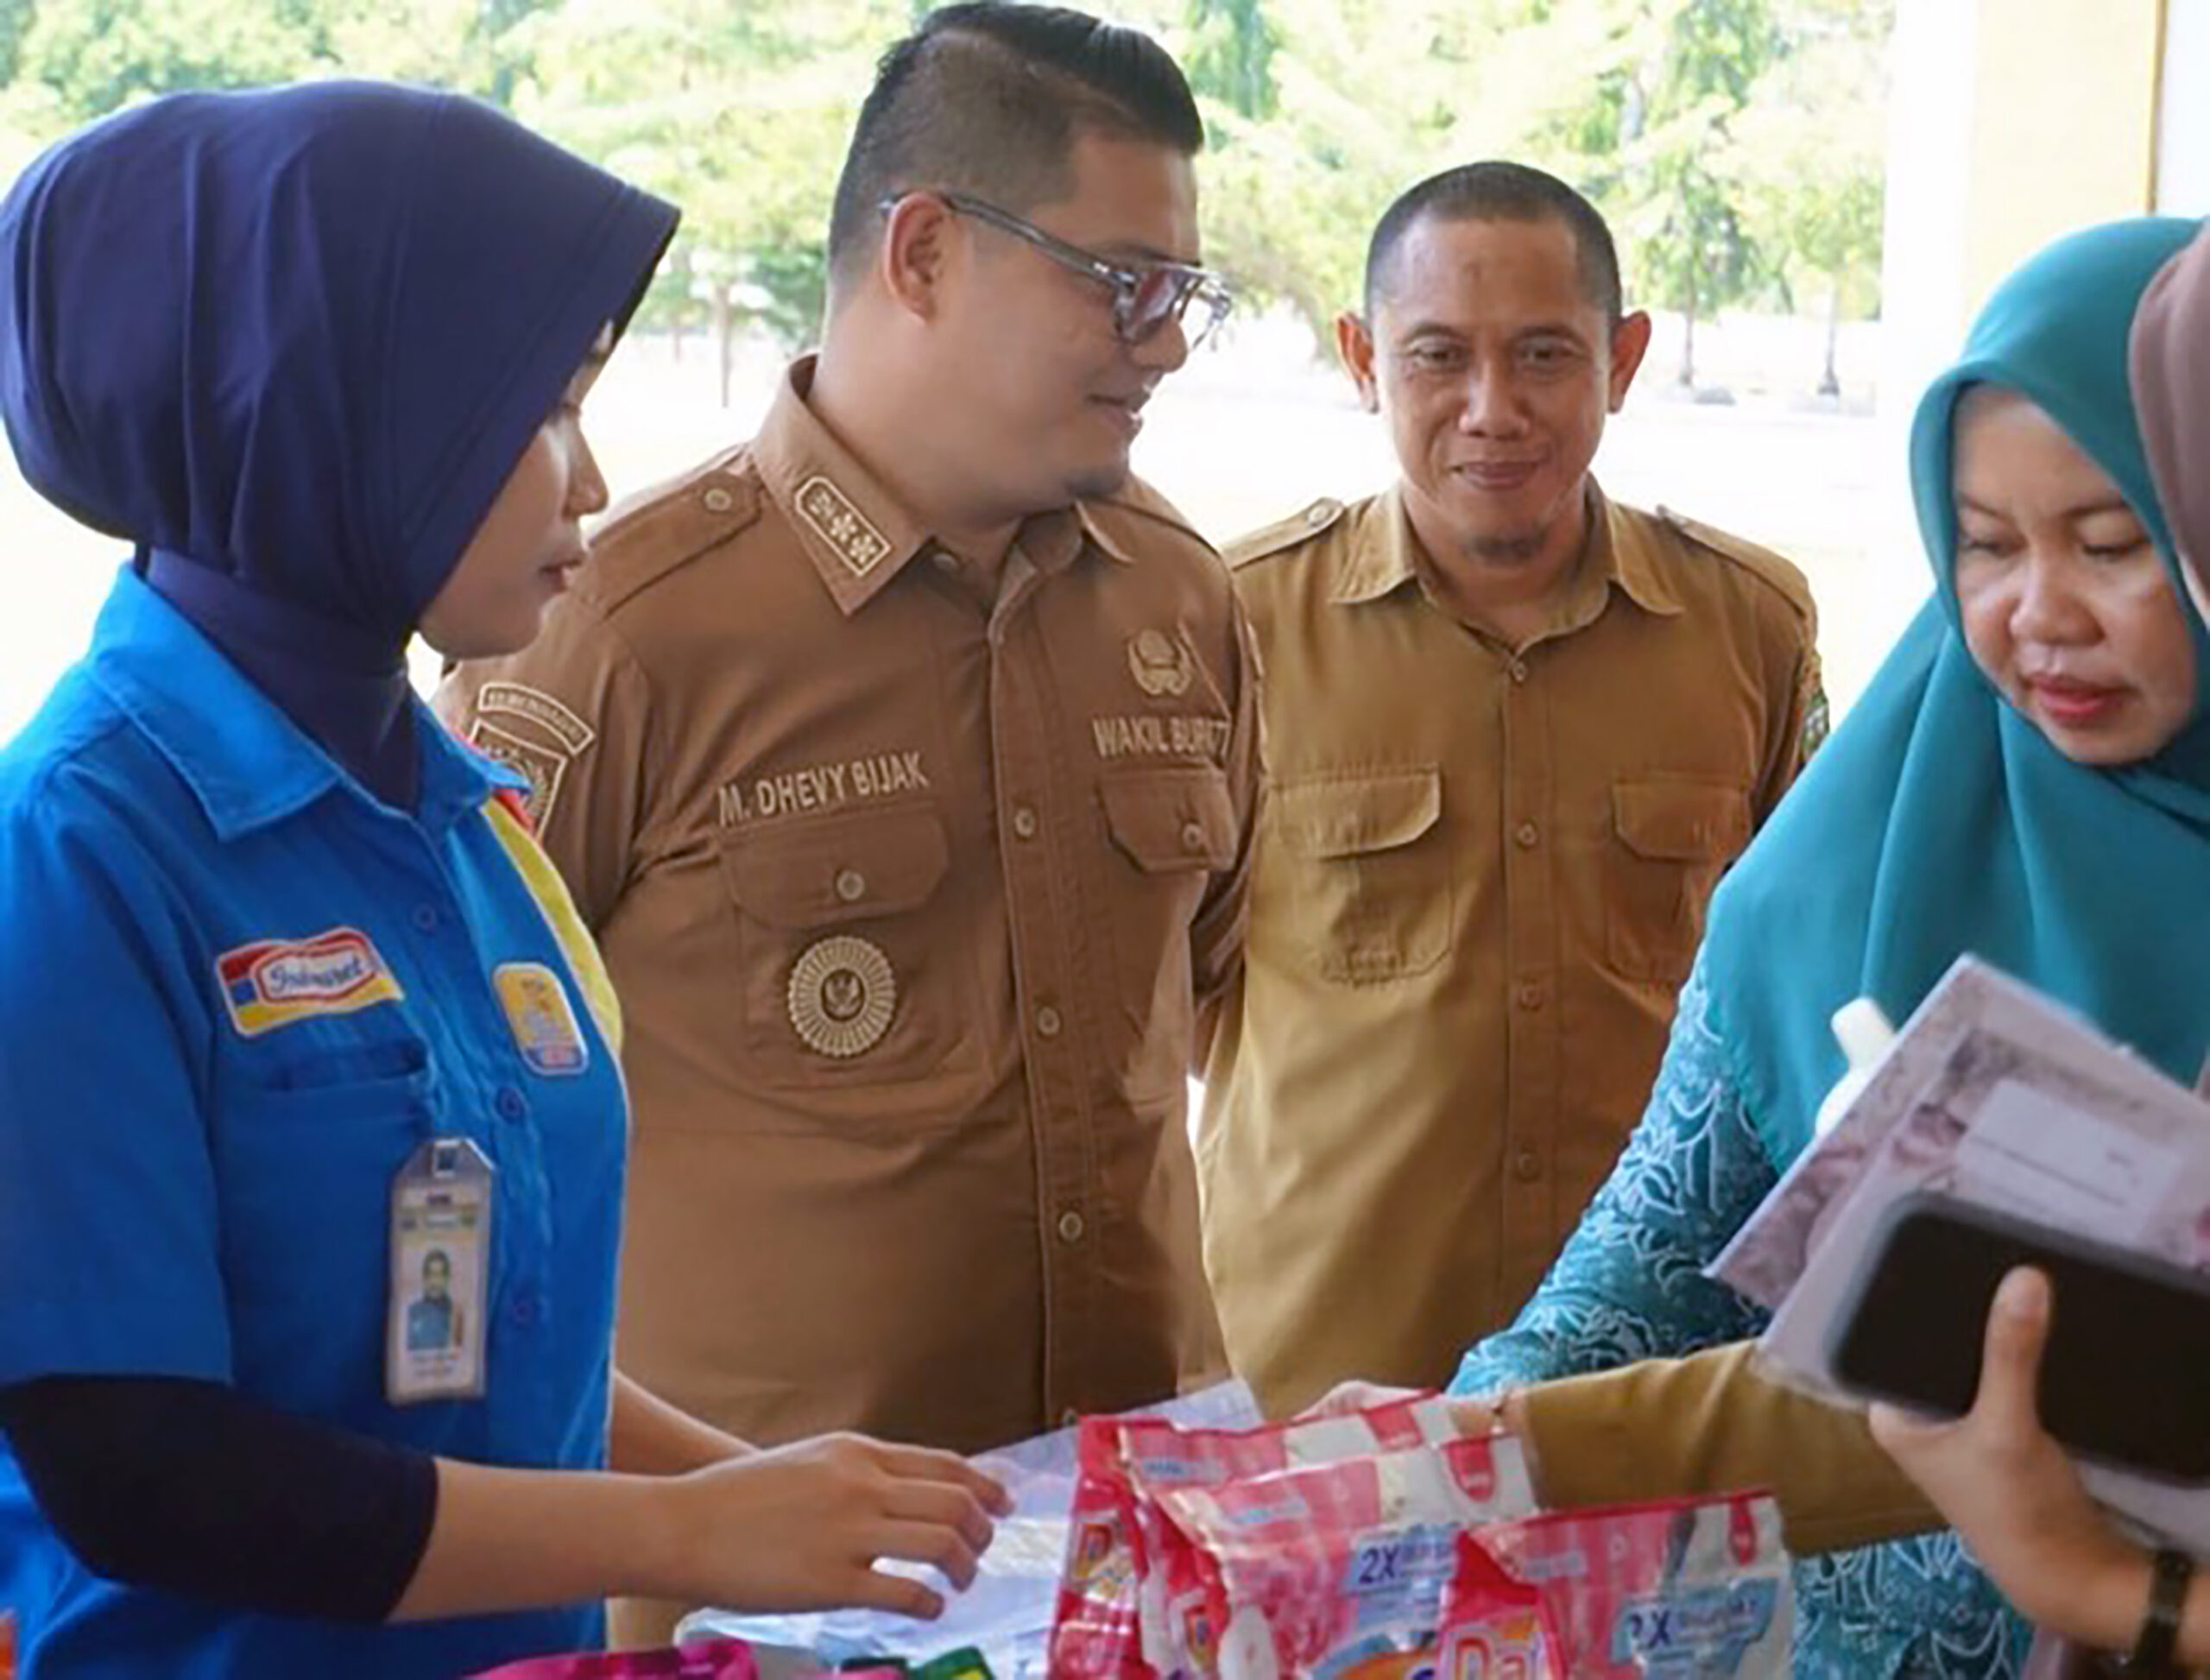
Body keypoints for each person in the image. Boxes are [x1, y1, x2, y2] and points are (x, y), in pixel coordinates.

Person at [0, 83, 1002, 1680]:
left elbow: (478, 1331)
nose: (587, 482)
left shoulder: (465, 819)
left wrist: (778, 1498)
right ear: (336, 414)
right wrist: (681, 1535)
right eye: (542, 412)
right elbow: (142, 1469)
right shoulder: (78, 844)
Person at [433, 3, 1256, 1646]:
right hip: (764, 1603)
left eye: (1183, 292)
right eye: (1120, 281)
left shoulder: (1179, 596)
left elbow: (1212, 980)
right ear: (926, 252)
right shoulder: (620, 625)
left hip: (1126, 1564)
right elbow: (454, 1109)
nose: (1162, 342)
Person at [1440, 214, 2210, 1675]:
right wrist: (1452, 1442)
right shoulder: (1828, 880)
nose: (2039, 613)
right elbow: (1645, 1263)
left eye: (2113, 545)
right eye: (1985, 545)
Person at [1198, 160, 1826, 1416]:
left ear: (1623, 359)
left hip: (1639, 1393)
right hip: (1316, 1383)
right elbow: (1148, 1018)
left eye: (1544, 355)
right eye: (1438, 356)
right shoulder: (1233, 625)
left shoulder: (1748, 626)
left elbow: (1798, 988)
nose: (1493, 409)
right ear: (1363, 359)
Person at [407, 1251, 464, 1355]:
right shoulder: (413, 1313)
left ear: (447, 1278)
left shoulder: (456, 1314)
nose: (434, 1281)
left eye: (439, 1275)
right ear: (424, 1278)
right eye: (430, 1275)